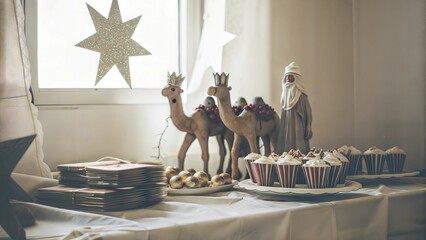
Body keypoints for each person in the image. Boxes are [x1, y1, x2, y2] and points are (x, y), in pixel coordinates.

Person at [276, 62, 313, 154]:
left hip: (298, 126)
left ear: (296, 78)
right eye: (286, 76)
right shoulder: (284, 95)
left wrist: (308, 125)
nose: (288, 78)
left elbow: (308, 111)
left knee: (298, 146)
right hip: (286, 126)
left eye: (290, 76)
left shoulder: (301, 95)